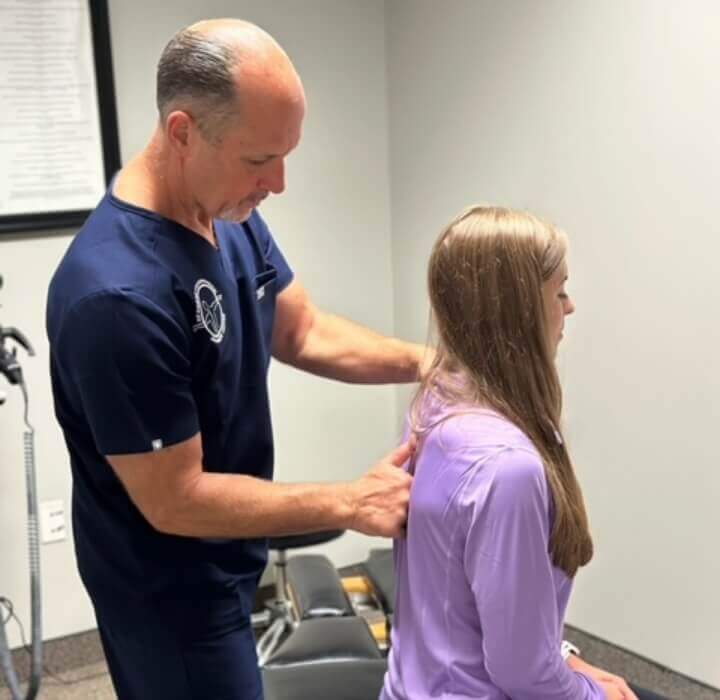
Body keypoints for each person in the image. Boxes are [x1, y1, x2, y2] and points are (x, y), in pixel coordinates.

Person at [46, 19, 425, 700]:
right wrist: (348, 500)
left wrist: (429, 361)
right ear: (184, 132)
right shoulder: (115, 297)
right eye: (259, 160)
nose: (277, 182)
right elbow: (178, 499)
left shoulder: (225, 210)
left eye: (287, 156)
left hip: (225, 563)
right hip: (171, 595)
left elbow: (302, 329)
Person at [381, 206, 669, 700]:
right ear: (519, 310)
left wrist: (564, 658)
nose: (570, 305)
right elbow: (523, 674)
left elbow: (478, 612)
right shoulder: (506, 467)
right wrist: (593, 694)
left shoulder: (436, 406)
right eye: (559, 291)